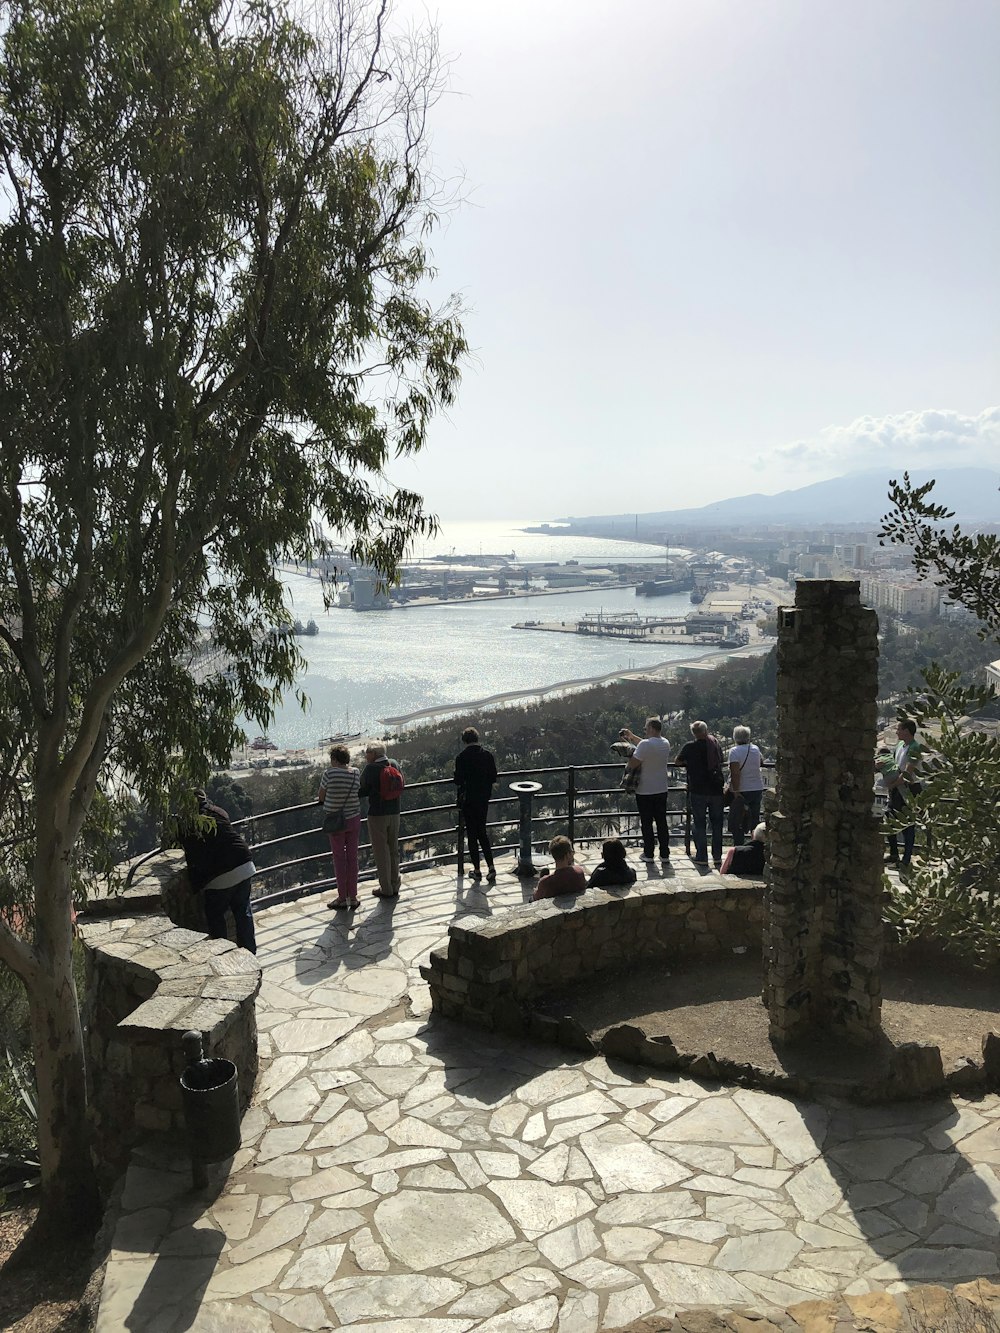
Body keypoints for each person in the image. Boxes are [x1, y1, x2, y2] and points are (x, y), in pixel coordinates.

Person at [180, 790, 257, 953]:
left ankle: (223, 955)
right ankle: (250, 953)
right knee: (243, 911)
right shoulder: (218, 812)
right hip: (243, 863)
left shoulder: (187, 824)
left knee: (215, 916)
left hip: (218, 875)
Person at [675, 720, 726, 868]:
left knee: (699, 823)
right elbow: (721, 760)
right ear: (706, 730)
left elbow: (677, 761)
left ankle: (702, 856)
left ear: (694, 733)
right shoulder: (715, 745)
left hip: (698, 791)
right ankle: (717, 857)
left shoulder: (689, 747)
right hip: (716, 790)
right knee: (717, 824)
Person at [620, 716, 672, 862]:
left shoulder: (645, 746)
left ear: (650, 729)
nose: (644, 730)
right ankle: (664, 854)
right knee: (662, 822)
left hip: (645, 790)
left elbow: (633, 764)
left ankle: (649, 853)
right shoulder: (665, 743)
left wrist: (626, 750)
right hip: (661, 788)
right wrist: (631, 736)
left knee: (647, 823)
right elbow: (645, 745)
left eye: (645, 728)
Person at [317, 744, 361, 909]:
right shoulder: (356, 772)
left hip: (335, 821)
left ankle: (342, 897)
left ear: (334, 759)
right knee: (352, 858)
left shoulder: (329, 773)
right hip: (354, 818)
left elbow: (321, 795)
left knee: (339, 859)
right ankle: (353, 896)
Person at [454, 726, 498, 882]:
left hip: (468, 801)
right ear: (477, 739)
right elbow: (493, 777)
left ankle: (477, 870)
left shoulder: (461, 758)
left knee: (472, 835)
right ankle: (491, 867)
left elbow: (457, 780)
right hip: (483, 799)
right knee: (483, 832)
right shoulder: (487, 755)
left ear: (464, 740)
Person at [359, 742, 403, 897]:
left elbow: (362, 788)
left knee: (381, 851)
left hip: (377, 813)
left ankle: (386, 888)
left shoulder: (370, 769)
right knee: (393, 849)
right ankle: (395, 884)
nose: (365, 756)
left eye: (367, 753)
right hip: (395, 811)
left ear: (373, 754)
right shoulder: (395, 764)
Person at [886, 719, 923, 868]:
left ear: (906, 731)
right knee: (889, 819)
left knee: (908, 825)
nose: (896, 732)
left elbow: (908, 772)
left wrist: (893, 784)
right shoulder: (900, 745)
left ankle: (906, 860)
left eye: (899, 729)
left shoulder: (915, 748)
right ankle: (894, 853)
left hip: (909, 789)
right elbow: (894, 765)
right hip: (897, 788)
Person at [728, 725, 765, 845]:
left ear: (735, 738)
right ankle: (755, 847)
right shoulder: (755, 749)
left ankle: (739, 848)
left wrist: (736, 792)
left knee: (738, 821)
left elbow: (735, 773)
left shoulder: (734, 751)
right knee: (754, 820)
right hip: (757, 788)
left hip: (742, 790)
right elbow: (760, 762)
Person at [533, 835, 587, 900]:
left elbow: (535, 899)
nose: (573, 854)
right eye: (572, 852)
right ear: (567, 855)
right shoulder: (579, 872)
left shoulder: (545, 882)